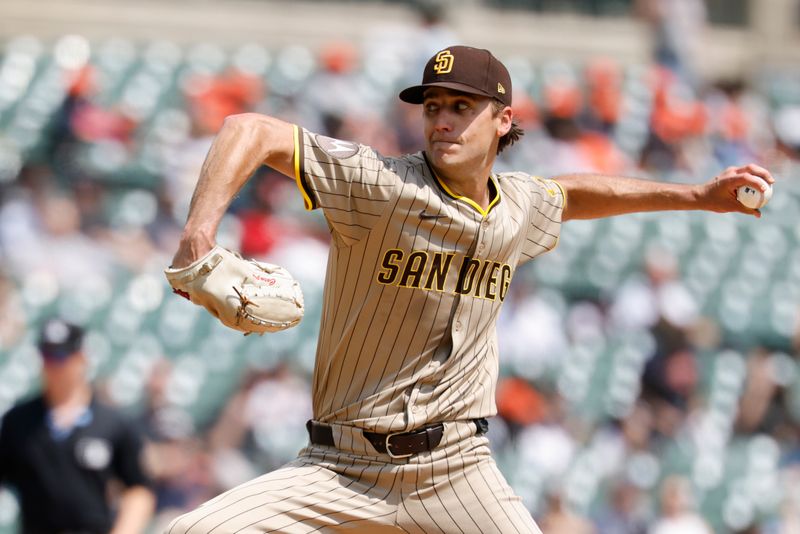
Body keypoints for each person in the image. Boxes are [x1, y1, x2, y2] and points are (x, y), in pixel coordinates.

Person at [166, 45, 774, 533]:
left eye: (462, 106)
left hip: (455, 472)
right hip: (340, 465)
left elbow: (574, 195)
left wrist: (695, 196)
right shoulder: (380, 185)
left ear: (504, 120)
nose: (443, 119)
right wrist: (199, 235)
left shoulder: (519, 205)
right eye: (434, 106)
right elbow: (249, 129)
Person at [0, 318, 155, 534]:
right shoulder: (19, 421)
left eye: (61, 356)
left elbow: (138, 490)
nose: (53, 365)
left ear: (81, 357)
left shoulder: (112, 422)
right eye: (47, 356)